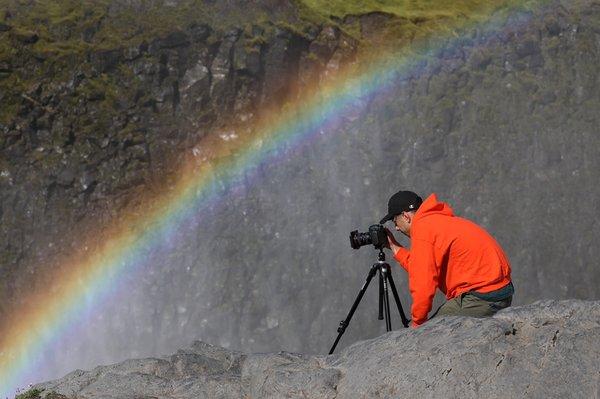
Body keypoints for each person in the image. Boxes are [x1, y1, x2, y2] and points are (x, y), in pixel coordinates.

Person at [380, 190, 513, 328]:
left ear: (405, 216)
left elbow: (422, 284)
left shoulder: (423, 229)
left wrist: (417, 325)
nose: (395, 228)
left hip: (481, 297)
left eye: (395, 221)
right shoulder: (437, 220)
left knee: (430, 334)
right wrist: (393, 247)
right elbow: (421, 266)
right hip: (502, 292)